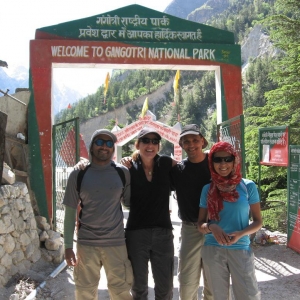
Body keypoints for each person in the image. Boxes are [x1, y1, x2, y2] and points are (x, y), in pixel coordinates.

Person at [63, 129, 133, 300]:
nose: (104, 147)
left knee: (121, 292)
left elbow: (129, 204)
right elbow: (70, 212)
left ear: (113, 149)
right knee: (85, 292)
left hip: (116, 243)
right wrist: (67, 247)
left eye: (109, 143)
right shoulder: (78, 174)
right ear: (91, 147)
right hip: (87, 245)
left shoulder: (122, 172)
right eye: (99, 142)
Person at [197, 141, 262, 300]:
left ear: (235, 161)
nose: (223, 164)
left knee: (249, 295)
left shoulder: (248, 187)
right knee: (218, 297)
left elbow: (258, 221)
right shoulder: (208, 189)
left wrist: (241, 233)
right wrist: (212, 227)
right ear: (212, 163)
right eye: (218, 159)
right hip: (213, 248)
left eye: (227, 159)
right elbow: (200, 225)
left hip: (240, 248)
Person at [123, 126, 176, 300]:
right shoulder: (128, 167)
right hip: (136, 233)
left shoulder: (166, 163)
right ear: (137, 144)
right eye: (146, 141)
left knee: (165, 286)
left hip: (163, 232)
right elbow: (105, 170)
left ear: (159, 146)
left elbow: (190, 168)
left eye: (155, 141)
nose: (150, 145)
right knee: (138, 286)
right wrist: (82, 164)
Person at [170, 124, 212, 300]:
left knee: (214, 281)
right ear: (181, 145)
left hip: (215, 228)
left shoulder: (216, 163)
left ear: (202, 141)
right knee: (187, 281)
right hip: (190, 228)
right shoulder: (178, 170)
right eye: (186, 141)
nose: (191, 144)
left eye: (195, 140)